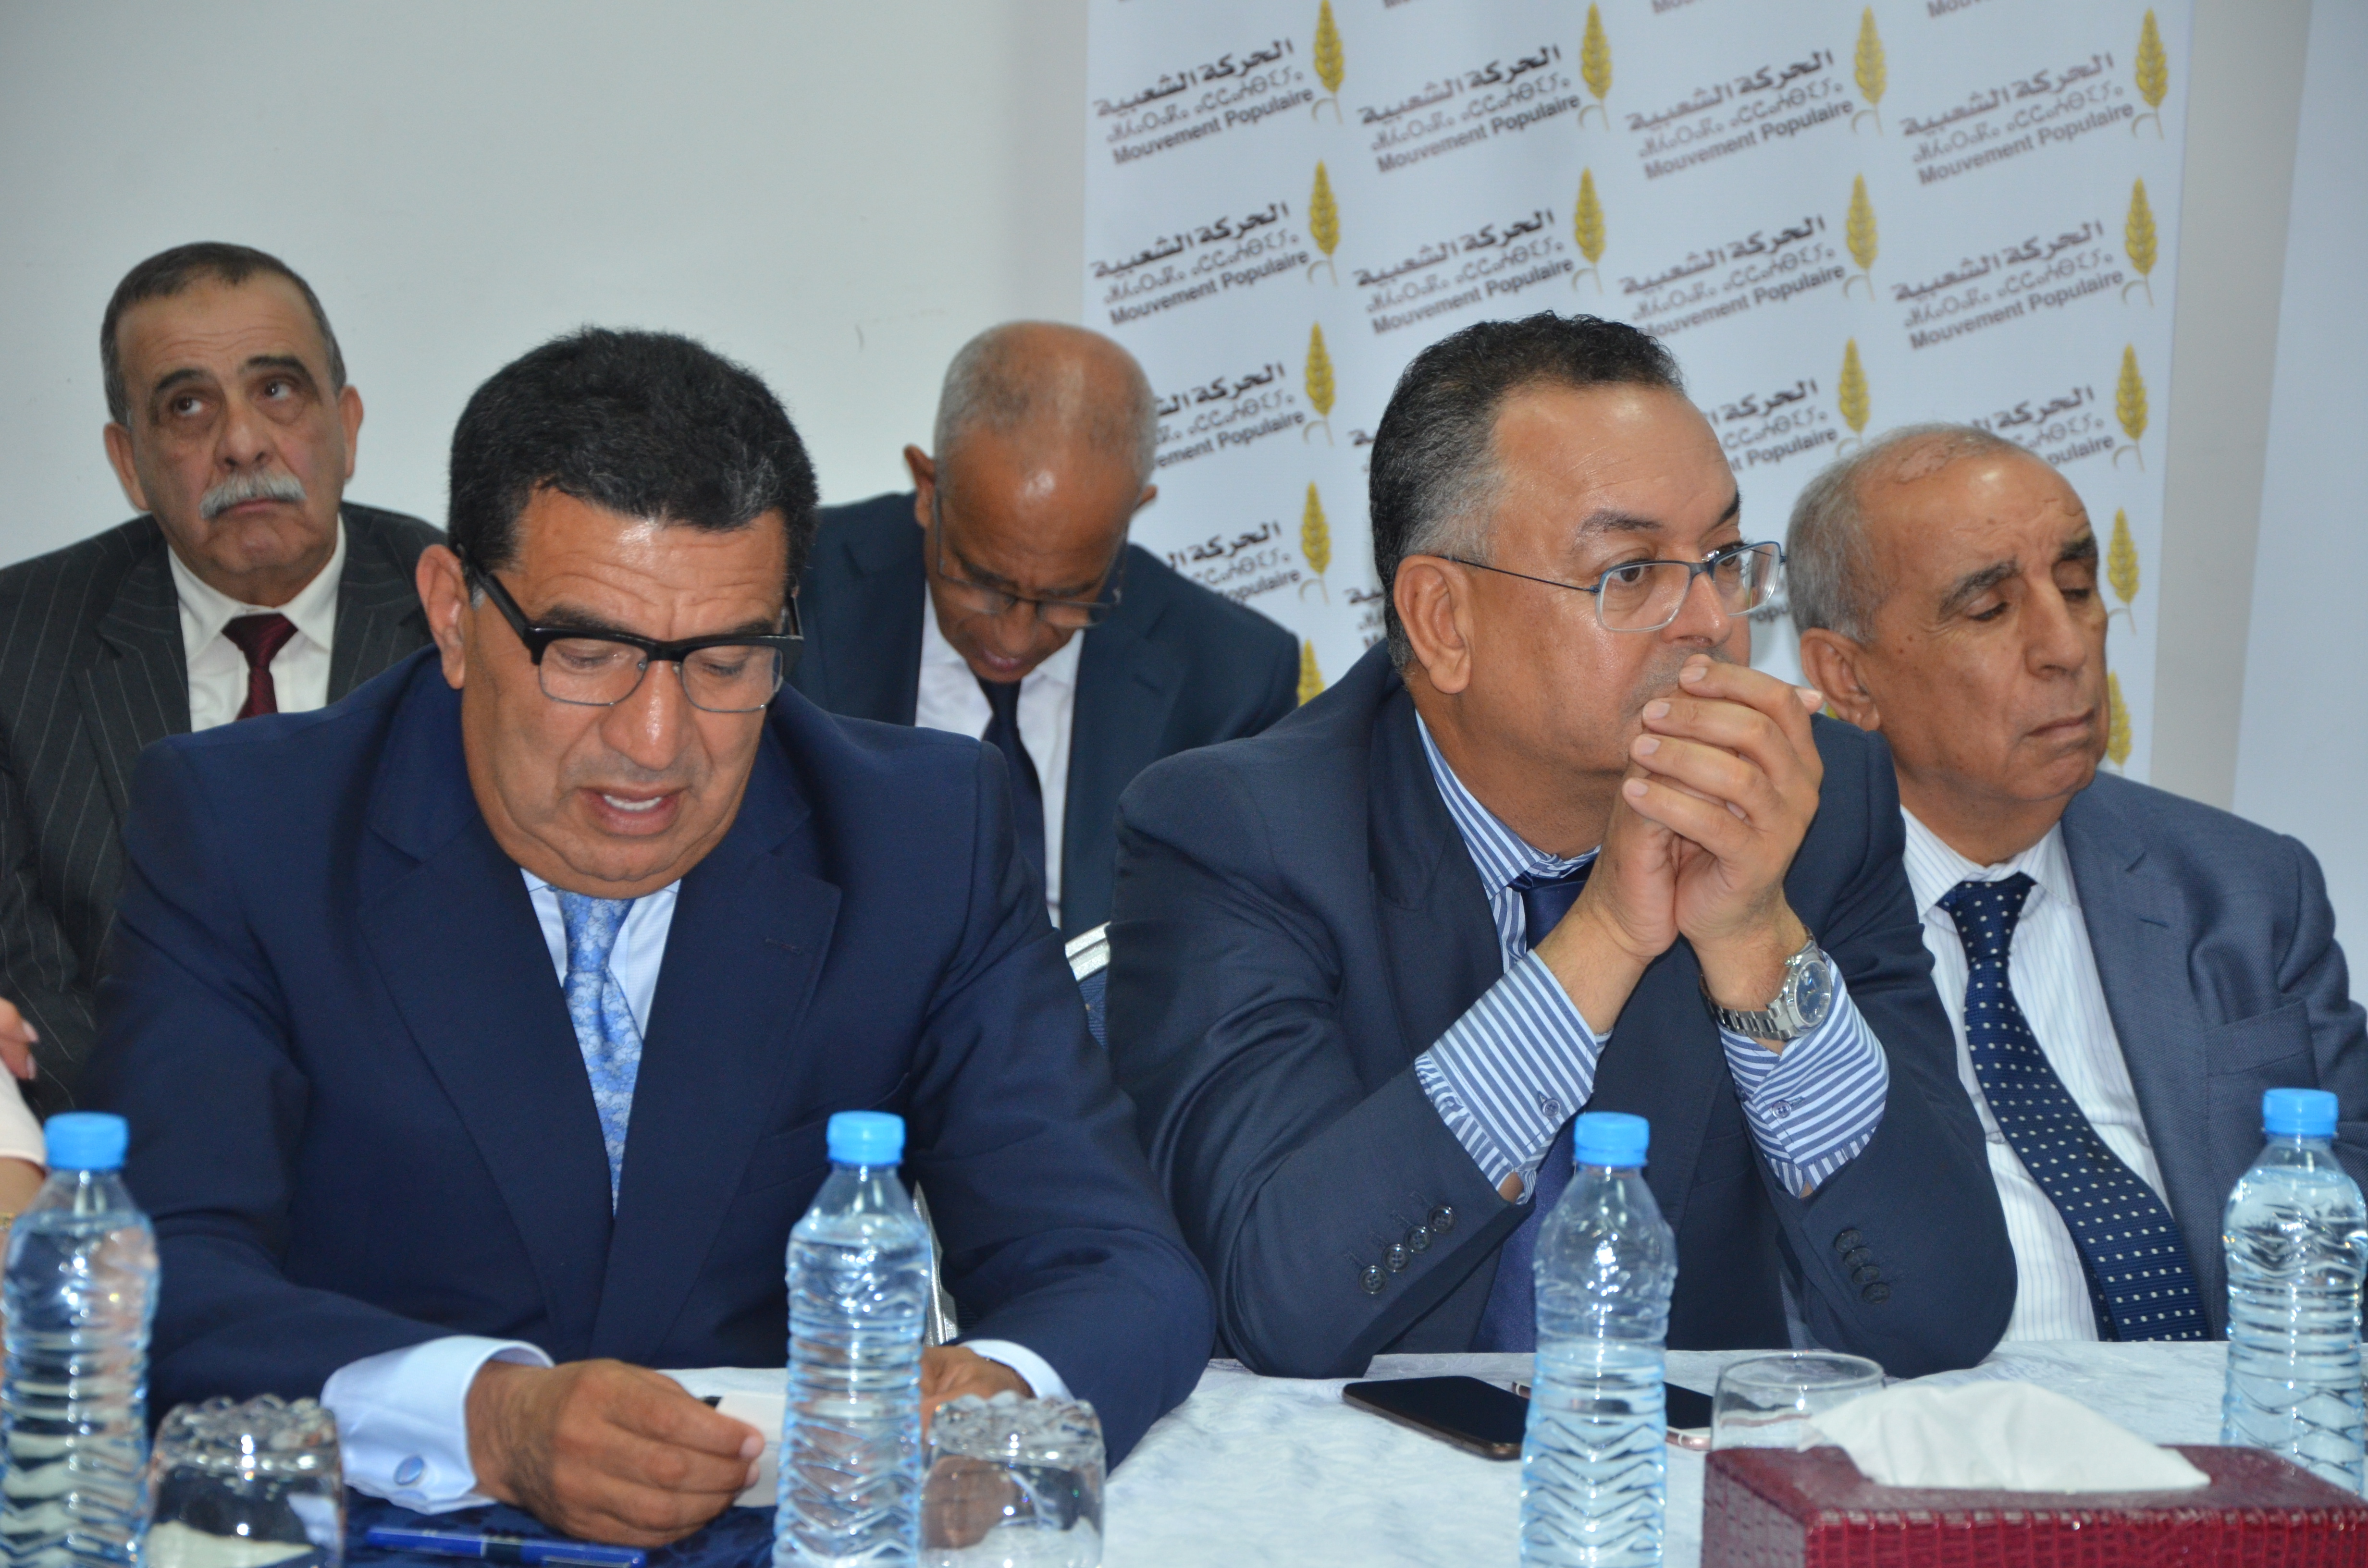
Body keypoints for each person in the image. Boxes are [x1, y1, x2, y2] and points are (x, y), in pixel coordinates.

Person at [89, 329, 1211, 1546]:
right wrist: (485, 1417)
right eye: (589, 654)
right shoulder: (248, 831)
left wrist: (997, 1392)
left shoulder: (918, 837)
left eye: (726, 661)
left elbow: (1117, 1264)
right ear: (454, 614)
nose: (658, 742)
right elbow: (159, 1274)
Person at [1106, 313, 2013, 1379]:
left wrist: (1757, 944)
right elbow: (1282, 1303)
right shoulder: (1239, 833)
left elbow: (1943, 1313)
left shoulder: (1806, 803)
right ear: (1443, 621)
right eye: (1630, 573)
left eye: (1722, 558)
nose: (1710, 622)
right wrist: (1601, 942)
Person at [1788, 424, 2367, 1341]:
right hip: (1915, 1416)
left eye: (2075, 587)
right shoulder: (1760, 920)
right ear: (1846, 677)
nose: (2065, 645)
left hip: (2223, 1411)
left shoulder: (2244, 889)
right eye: (1989, 609)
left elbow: (2347, 1201)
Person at [0, 242, 439, 1115]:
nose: (242, 443)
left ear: (347, 425)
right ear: (129, 462)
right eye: (188, 406)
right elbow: (26, 977)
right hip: (129, 1146)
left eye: (277, 390)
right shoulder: (19, 640)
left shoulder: (467, 617)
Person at [789, 322, 1299, 937]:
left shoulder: (1230, 681)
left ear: (1130, 515)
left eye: (1066, 598)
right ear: (928, 489)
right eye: (982, 584)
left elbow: (1230, 946)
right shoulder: (790, 595)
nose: (1014, 639)